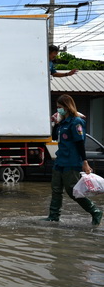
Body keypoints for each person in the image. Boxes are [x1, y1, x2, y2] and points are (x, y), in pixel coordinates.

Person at [42, 94, 102, 225]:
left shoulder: (76, 122)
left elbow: (80, 143)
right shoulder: (62, 122)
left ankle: (95, 211)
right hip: (60, 160)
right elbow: (53, 136)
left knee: (72, 190)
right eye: (57, 108)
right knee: (56, 189)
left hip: (72, 161)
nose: (58, 110)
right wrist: (55, 123)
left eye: (60, 107)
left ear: (67, 106)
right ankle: (53, 216)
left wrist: (84, 162)